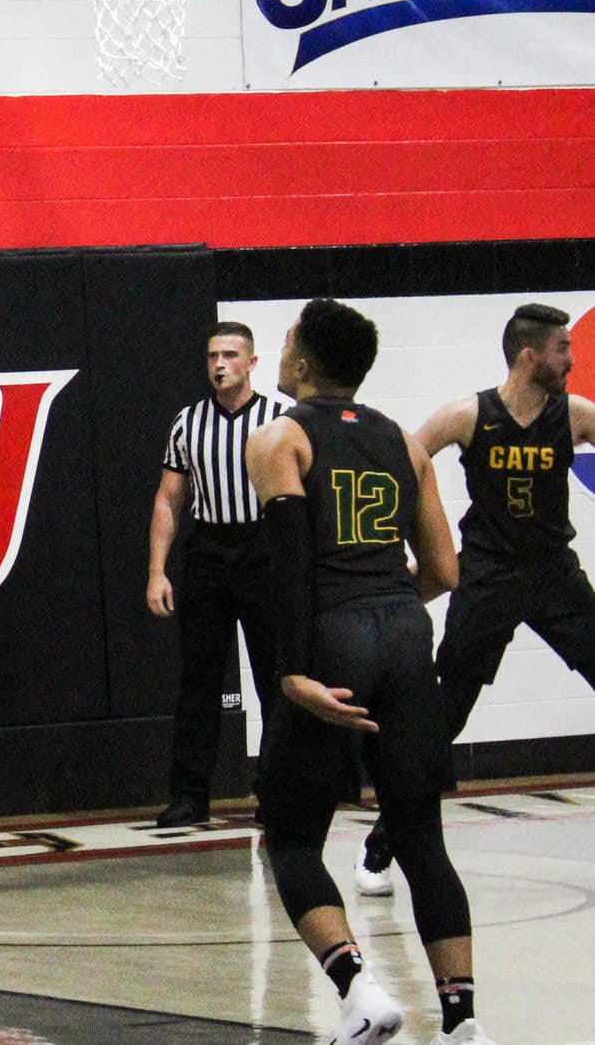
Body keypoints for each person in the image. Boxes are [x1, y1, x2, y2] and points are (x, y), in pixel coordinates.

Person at [245, 298, 487, 1045]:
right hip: (409, 637)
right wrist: (385, 601)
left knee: (288, 837)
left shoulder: (278, 436)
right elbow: (445, 569)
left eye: (286, 343)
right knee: (423, 841)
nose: (281, 353)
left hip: (332, 641)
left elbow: (288, 571)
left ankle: (358, 987)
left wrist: (291, 673)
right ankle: (462, 1019)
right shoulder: (405, 443)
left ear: (304, 363)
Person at [356, 302, 595, 896]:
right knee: (446, 711)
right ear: (529, 356)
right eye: (563, 349)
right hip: (486, 577)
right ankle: (382, 844)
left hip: (554, 575)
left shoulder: (576, 415)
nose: (572, 359)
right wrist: (398, 543)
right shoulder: (469, 415)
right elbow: (402, 461)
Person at [146, 323, 286, 827]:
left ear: (252, 362)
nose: (219, 364)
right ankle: (189, 796)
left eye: (229, 355)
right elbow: (169, 498)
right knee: (199, 679)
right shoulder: (188, 422)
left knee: (276, 676)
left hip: (264, 549)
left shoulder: (280, 419)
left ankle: (277, 791)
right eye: (211, 356)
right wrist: (157, 571)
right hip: (207, 549)